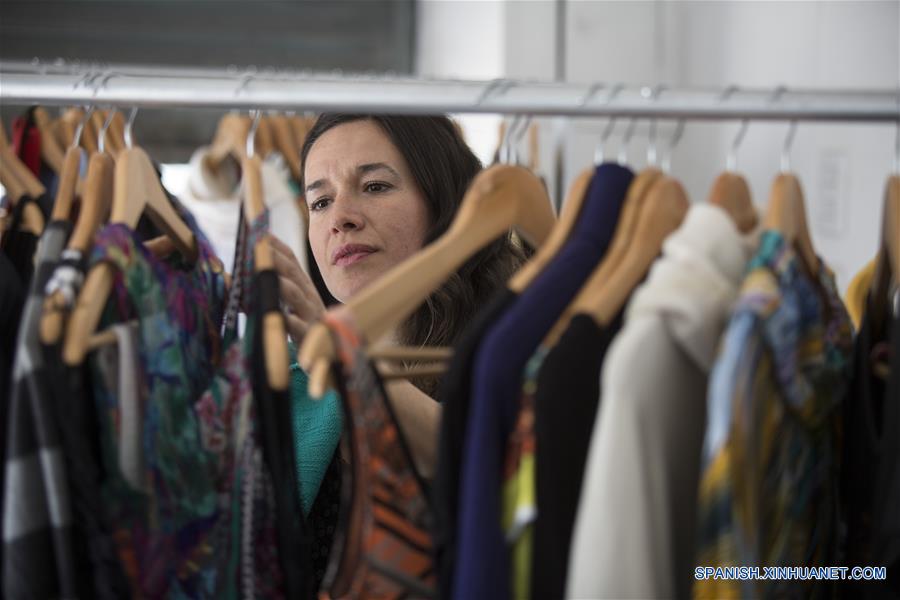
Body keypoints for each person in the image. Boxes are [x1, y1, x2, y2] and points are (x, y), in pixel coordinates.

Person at [271, 114, 527, 476]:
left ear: (445, 202)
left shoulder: (523, 351)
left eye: (375, 186)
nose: (340, 218)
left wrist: (349, 362)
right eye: (321, 202)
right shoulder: (287, 378)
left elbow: (492, 467)